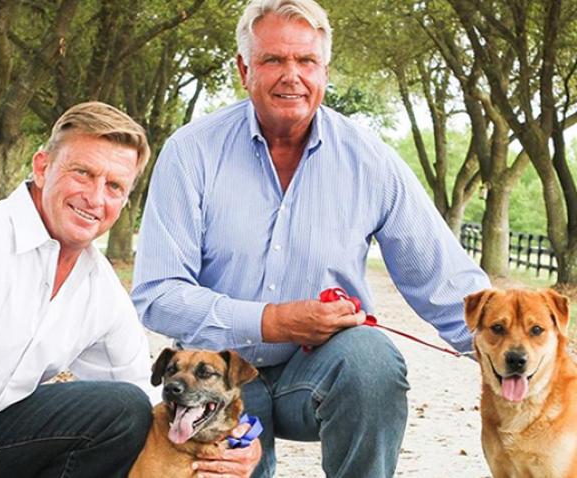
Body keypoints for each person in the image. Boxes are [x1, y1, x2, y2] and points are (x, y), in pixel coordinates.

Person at [131, 0, 491, 476]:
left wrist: (524, 356)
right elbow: (158, 295)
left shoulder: (370, 160)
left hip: (317, 372)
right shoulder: (190, 152)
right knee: (233, 466)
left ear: (325, 70)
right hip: (218, 380)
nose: (292, 75)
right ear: (244, 69)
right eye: (273, 60)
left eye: (306, 60)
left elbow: (444, 279)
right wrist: (272, 320)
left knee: (372, 362)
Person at [0, 102, 154, 478]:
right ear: (42, 167)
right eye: (83, 173)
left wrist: (225, 447)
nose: (95, 198)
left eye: (114, 186)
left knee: (124, 408)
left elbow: (142, 392)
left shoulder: (99, 285)